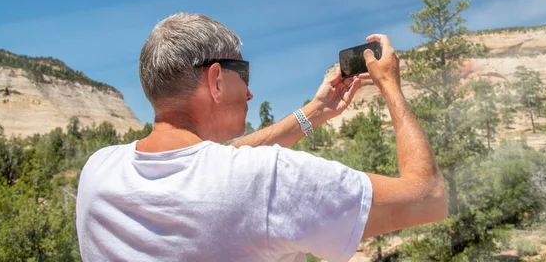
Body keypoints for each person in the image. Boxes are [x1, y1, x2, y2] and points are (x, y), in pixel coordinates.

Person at [76, 13, 447, 262]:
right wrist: (390, 86)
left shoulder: (98, 170)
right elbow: (427, 197)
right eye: (245, 75)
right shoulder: (269, 180)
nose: (250, 94)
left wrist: (314, 113)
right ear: (216, 79)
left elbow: (210, 162)